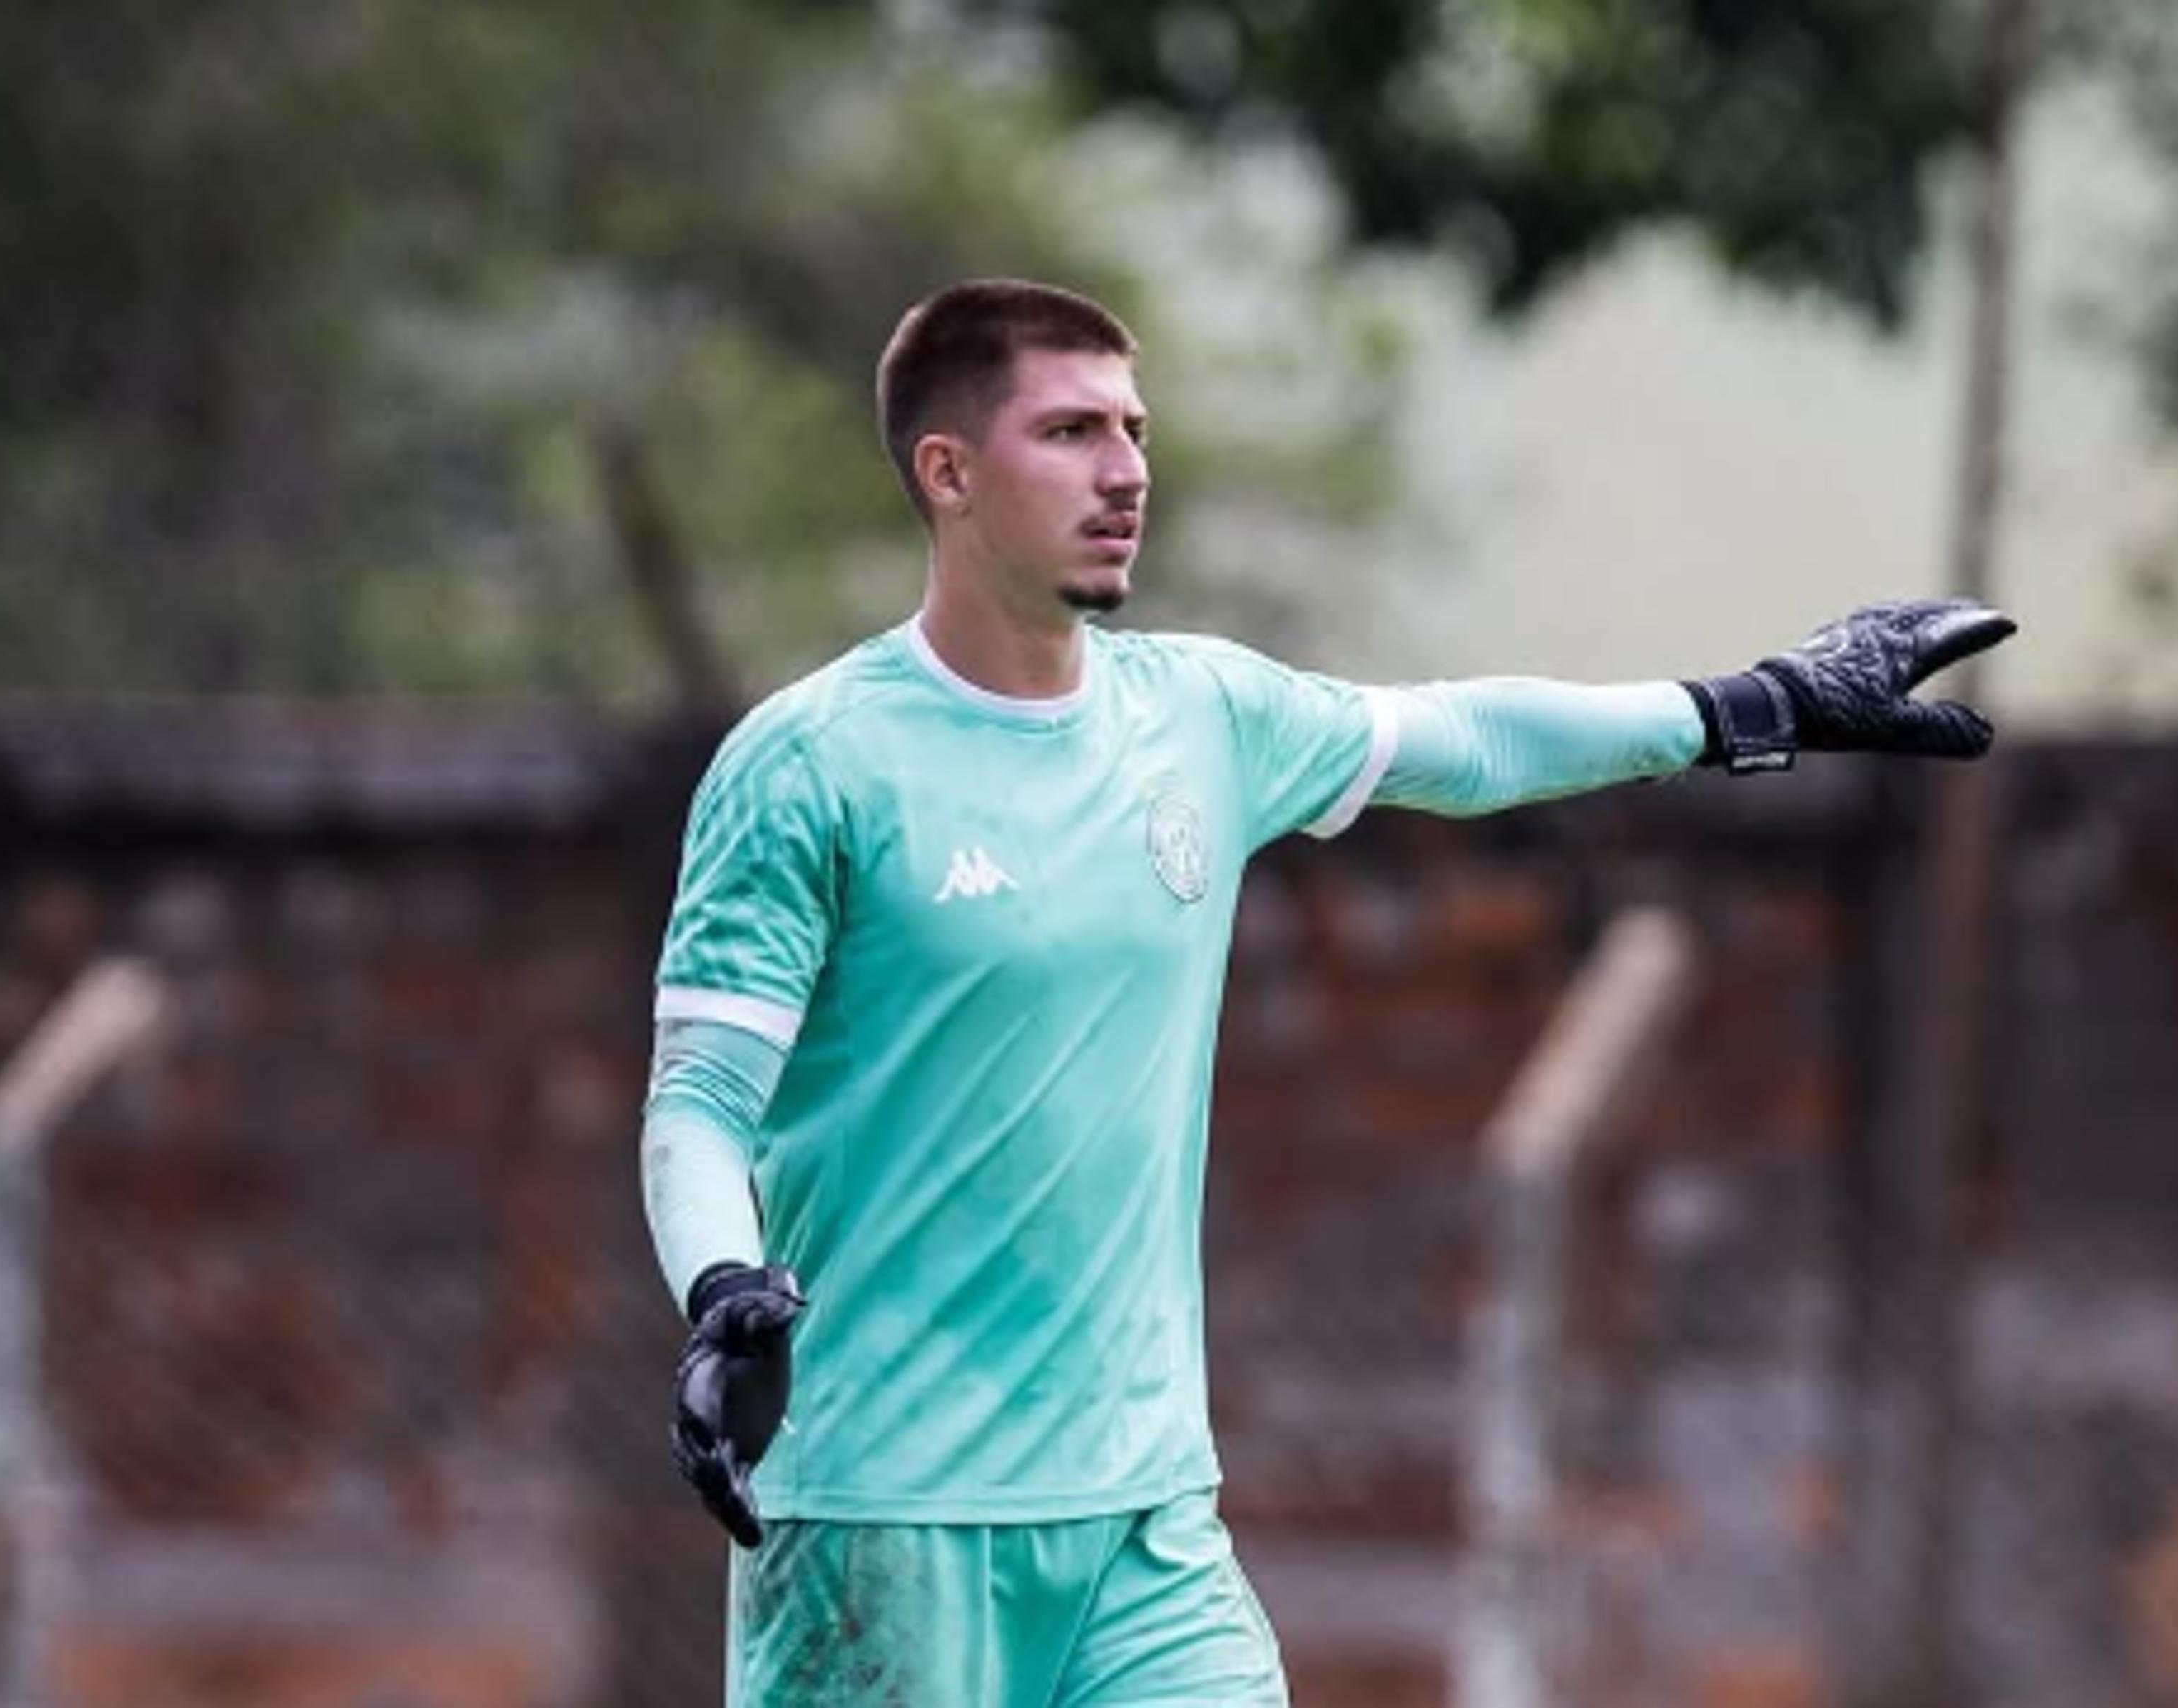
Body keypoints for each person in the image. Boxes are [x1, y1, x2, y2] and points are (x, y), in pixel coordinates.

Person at [643, 278, 2013, 1706]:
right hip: (885, 1522)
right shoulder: (809, 766)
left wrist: (1761, 704)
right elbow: (700, 1107)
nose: (1125, 473)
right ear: (949, 472)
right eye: (1069, 432)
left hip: (1141, 1520)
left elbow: (1466, 738)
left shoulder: (1199, 716)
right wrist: (726, 1291)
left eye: (1135, 429)